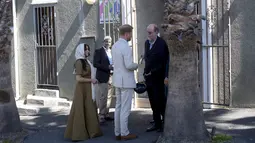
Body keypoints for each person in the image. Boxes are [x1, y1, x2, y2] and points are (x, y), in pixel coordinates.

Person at [64, 43, 102, 141]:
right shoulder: (79, 62)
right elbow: (78, 78)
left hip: (88, 88)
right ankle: (79, 133)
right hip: (82, 89)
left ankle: (92, 131)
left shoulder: (86, 61)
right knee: (81, 109)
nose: (88, 51)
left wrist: (93, 80)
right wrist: (91, 80)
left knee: (89, 108)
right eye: (86, 49)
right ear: (81, 50)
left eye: (88, 49)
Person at [112, 24, 138, 141]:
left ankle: (117, 132)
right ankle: (124, 133)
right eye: (131, 34)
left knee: (118, 107)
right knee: (125, 109)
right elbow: (128, 65)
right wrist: (136, 65)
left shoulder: (114, 46)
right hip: (126, 82)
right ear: (127, 34)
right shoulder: (126, 47)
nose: (131, 36)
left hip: (117, 80)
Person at [144, 24, 169, 132]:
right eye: (147, 32)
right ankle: (157, 123)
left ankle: (165, 123)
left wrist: (165, 76)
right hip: (148, 78)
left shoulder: (161, 44)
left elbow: (164, 62)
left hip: (158, 77)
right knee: (152, 101)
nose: (148, 35)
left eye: (150, 33)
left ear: (156, 32)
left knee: (160, 101)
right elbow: (147, 59)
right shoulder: (146, 43)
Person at [93, 36, 114, 124]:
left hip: (112, 76)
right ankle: (101, 115)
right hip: (103, 76)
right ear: (103, 42)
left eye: (109, 42)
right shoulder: (99, 51)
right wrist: (107, 67)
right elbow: (95, 64)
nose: (107, 43)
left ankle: (106, 113)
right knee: (103, 96)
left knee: (109, 96)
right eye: (106, 41)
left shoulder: (112, 52)